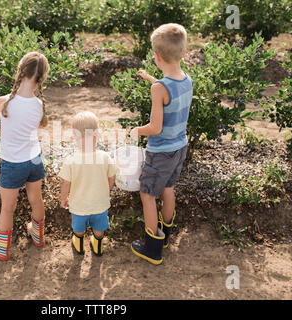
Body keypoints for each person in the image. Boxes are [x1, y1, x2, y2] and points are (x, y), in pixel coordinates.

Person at [130, 23, 193, 265]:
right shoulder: (186, 80)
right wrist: (152, 79)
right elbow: (171, 92)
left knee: (147, 195)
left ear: (156, 56)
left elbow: (155, 128)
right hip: (180, 148)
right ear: (184, 53)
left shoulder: (159, 89)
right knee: (168, 190)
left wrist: (137, 130)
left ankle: (153, 248)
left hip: (160, 152)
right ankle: (165, 234)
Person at [0, 52, 49, 261]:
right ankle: (38, 235)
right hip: (34, 159)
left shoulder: (3, 102)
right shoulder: (39, 105)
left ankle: (1, 248)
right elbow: (35, 127)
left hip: (13, 163)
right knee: (36, 199)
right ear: (41, 78)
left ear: (19, 71)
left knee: (8, 207)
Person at [59, 111, 116, 256]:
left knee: (78, 228)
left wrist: (63, 198)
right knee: (99, 227)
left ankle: (79, 245)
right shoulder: (105, 157)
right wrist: (106, 190)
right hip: (100, 203)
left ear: (74, 138)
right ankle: (97, 246)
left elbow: (65, 183)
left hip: (79, 205)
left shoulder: (71, 160)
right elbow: (112, 176)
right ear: (97, 136)